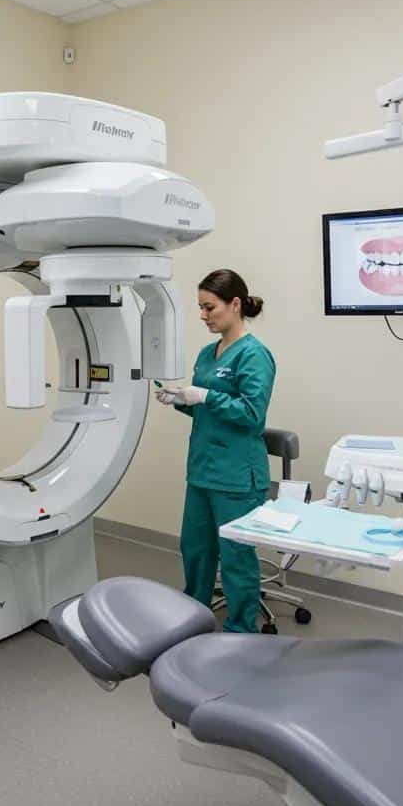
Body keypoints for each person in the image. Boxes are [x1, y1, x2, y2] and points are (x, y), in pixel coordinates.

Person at [156, 269, 276, 633]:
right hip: (203, 470)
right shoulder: (208, 353)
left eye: (210, 307)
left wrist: (206, 395)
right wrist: (180, 399)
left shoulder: (254, 355)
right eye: (201, 308)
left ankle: (241, 631)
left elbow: (252, 415)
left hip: (236, 476)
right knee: (195, 549)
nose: (203, 315)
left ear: (235, 304)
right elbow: (205, 409)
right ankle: (193, 618)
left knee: (236, 558)